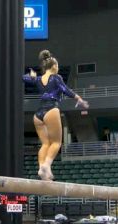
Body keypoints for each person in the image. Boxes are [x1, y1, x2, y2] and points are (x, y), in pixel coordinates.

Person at [23, 50, 89, 181]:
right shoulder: (56, 77)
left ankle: (42, 169)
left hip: (38, 115)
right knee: (57, 143)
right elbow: (65, 90)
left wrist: (30, 76)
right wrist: (79, 99)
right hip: (51, 110)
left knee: (45, 144)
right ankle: (46, 166)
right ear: (53, 66)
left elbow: (23, 78)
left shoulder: (38, 79)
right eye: (57, 66)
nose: (58, 68)